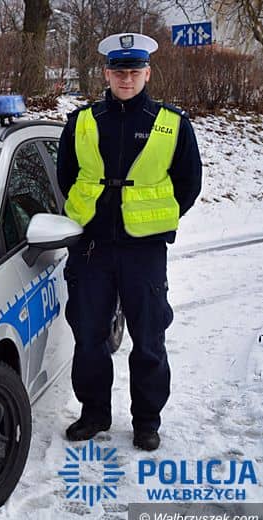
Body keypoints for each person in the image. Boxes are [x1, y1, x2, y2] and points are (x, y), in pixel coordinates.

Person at [57, 33, 202, 451]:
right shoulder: (83, 121)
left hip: (144, 250)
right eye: (119, 71)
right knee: (89, 337)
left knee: (149, 339)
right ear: (106, 74)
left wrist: (152, 218)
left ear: (147, 74)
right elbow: (66, 177)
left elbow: (188, 183)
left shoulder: (171, 123)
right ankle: (94, 414)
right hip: (92, 247)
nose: (127, 78)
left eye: (135, 71)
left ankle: (146, 422)